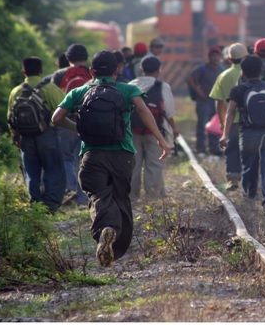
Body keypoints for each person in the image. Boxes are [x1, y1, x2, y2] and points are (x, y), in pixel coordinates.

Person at [52, 51, 170, 268]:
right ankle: (114, 244)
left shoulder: (80, 91)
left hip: (92, 155)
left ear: (92, 71)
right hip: (122, 154)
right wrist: (161, 139)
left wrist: (78, 128)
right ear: (117, 70)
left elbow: (56, 118)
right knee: (120, 197)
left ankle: (106, 231)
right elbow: (144, 111)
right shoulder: (127, 89)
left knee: (98, 196)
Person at [220, 55, 265, 216]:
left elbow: (231, 111)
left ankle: (249, 200)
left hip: (249, 133)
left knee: (249, 167)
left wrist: (225, 135)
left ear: (242, 72)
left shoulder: (238, 90)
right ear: (262, 70)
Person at [8, 57, 67, 213]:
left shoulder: (16, 91)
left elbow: (10, 117)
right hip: (47, 134)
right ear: (41, 71)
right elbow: (64, 108)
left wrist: (16, 137)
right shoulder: (49, 88)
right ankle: (51, 205)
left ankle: (36, 205)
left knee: (31, 172)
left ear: (23, 72)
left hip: (25, 138)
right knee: (53, 168)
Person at [128, 56, 178, 202]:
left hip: (133, 131)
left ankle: (131, 197)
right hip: (155, 132)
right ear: (159, 70)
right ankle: (153, 198)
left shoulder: (131, 85)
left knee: (133, 164)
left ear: (141, 69)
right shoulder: (162, 86)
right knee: (155, 165)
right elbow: (168, 112)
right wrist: (174, 129)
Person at [51, 44, 91, 207]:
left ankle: (69, 189)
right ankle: (83, 198)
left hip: (66, 121)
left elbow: (55, 98)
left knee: (66, 157)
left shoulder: (60, 74)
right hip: (87, 120)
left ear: (68, 59)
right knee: (83, 158)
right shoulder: (90, 72)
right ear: (86, 57)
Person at [209, 43, 248, 191]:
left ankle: (232, 179)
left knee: (231, 148)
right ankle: (247, 178)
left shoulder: (223, 76)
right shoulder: (248, 73)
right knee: (247, 150)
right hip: (248, 120)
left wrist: (222, 121)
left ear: (229, 59)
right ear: (245, 57)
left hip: (231, 120)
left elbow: (219, 102)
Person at [186, 46, 225, 156]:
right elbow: (189, 79)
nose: (215, 58)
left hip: (217, 101)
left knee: (215, 125)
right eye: (213, 55)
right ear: (209, 57)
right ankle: (201, 148)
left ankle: (214, 148)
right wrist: (199, 92)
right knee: (202, 124)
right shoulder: (202, 68)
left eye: (217, 55)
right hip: (204, 101)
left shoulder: (222, 70)